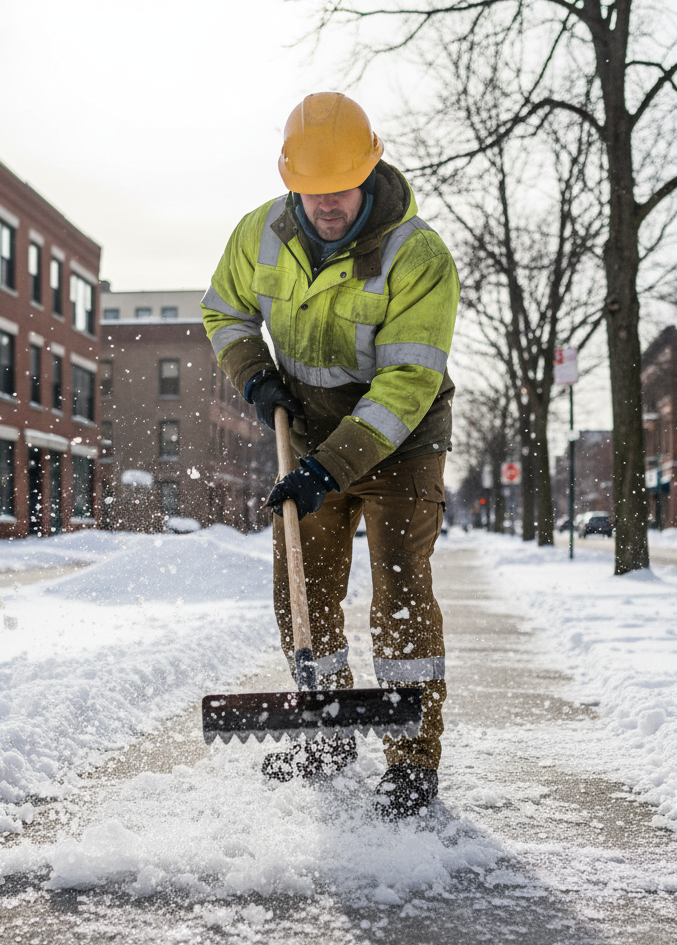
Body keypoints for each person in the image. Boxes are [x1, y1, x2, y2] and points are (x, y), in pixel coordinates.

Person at [201, 92, 459, 819]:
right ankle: (328, 728)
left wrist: (327, 470)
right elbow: (223, 309)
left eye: (340, 190)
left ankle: (411, 756)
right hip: (309, 433)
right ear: (292, 182)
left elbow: (408, 384)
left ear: (369, 172)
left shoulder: (419, 256)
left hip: (400, 442)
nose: (327, 206)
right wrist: (255, 373)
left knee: (400, 587)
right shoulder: (260, 235)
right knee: (302, 584)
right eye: (311, 192)